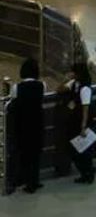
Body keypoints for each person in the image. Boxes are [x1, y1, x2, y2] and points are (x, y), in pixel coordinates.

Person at [6, 58, 44, 194]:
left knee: (24, 153)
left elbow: (12, 102)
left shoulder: (17, 88)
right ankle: (34, 181)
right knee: (35, 154)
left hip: (22, 124)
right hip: (37, 123)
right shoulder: (41, 85)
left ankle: (25, 181)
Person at [60, 62, 96, 184]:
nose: (71, 74)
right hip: (74, 121)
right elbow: (60, 89)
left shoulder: (85, 88)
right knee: (75, 150)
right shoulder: (74, 84)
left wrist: (83, 126)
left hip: (81, 123)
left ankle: (88, 172)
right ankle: (85, 173)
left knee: (83, 151)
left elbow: (86, 108)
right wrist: (65, 80)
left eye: (73, 72)